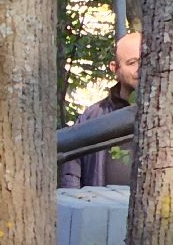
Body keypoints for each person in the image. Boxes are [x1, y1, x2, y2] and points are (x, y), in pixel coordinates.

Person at [59, 31, 141, 188]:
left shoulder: (168, 116)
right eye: (132, 62)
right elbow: (71, 173)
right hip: (100, 210)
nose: (140, 68)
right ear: (115, 68)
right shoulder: (93, 117)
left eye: (146, 60)